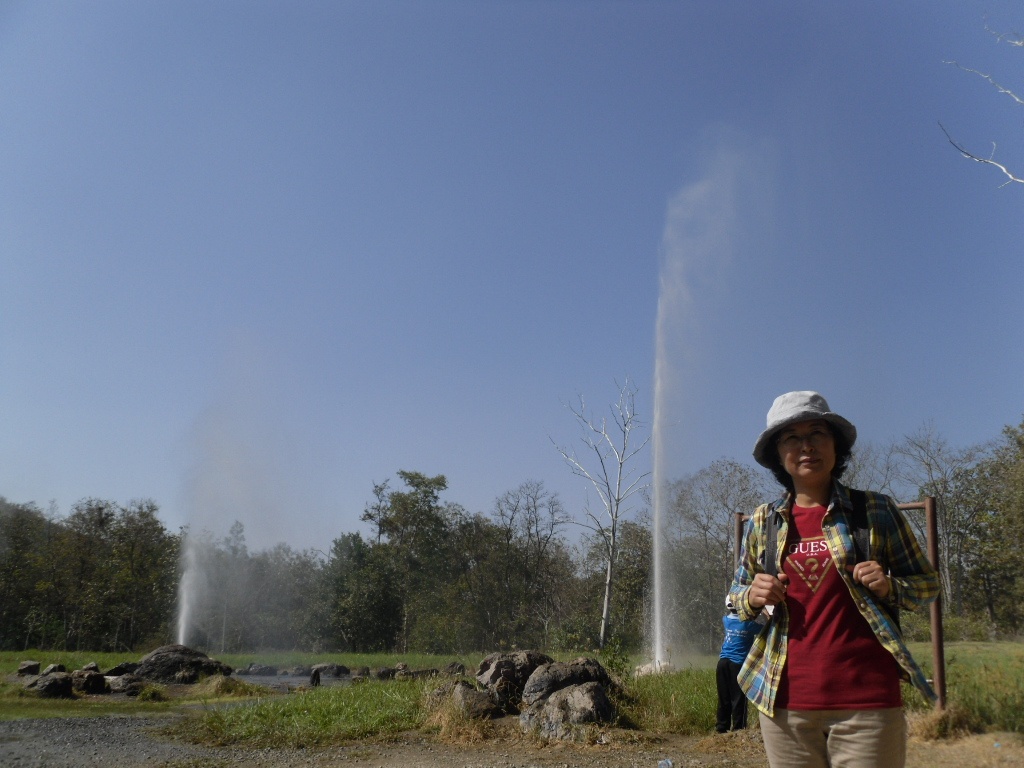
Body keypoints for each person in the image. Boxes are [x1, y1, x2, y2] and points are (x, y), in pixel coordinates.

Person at [728, 391, 940, 768]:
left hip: (868, 705)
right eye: (791, 438)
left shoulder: (875, 510)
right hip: (784, 704)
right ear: (778, 454)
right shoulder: (764, 521)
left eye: (817, 433)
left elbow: (927, 584)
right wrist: (753, 595)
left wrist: (891, 586)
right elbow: (734, 598)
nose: (806, 446)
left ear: (835, 445)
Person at [716, 596, 761, 733]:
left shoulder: (726, 620)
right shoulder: (749, 625)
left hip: (722, 663)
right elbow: (765, 628)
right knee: (738, 698)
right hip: (738, 665)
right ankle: (738, 730)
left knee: (724, 697)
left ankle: (721, 728)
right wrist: (762, 610)